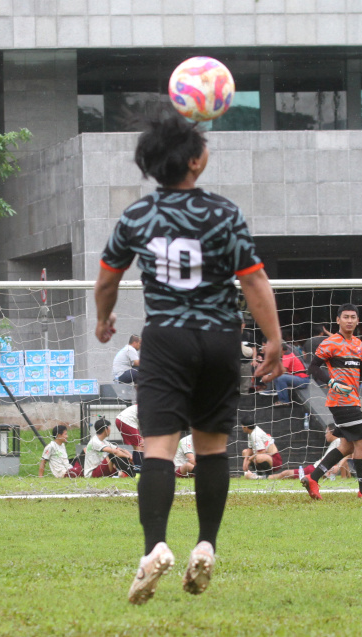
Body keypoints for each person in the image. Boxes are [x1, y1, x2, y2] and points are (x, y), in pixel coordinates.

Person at [94, 112, 283, 604]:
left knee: (158, 449)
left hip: (166, 340)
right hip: (220, 337)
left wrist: (103, 318)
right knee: (213, 448)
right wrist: (275, 342)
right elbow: (254, 281)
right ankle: (206, 544)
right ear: (197, 160)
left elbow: (108, 278)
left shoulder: (136, 217)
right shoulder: (224, 212)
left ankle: (155, 546)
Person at [303, 303, 362, 500]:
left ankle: (313, 477)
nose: (349, 320)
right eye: (346, 317)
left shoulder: (358, 344)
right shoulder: (330, 343)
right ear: (338, 320)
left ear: (357, 320)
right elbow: (313, 368)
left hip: (352, 400)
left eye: (353, 317)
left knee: (347, 446)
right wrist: (332, 382)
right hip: (342, 401)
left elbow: (361, 369)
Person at [270, 425, 339, 480]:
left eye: (326, 432)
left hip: (316, 469)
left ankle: (263, 478)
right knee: (285, 474)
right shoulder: (336, 443)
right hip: (316, 468)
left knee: (285, 473)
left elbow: (344, 457)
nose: (325, 435)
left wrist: (337, 468)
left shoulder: (338, 441)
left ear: (332, 432)